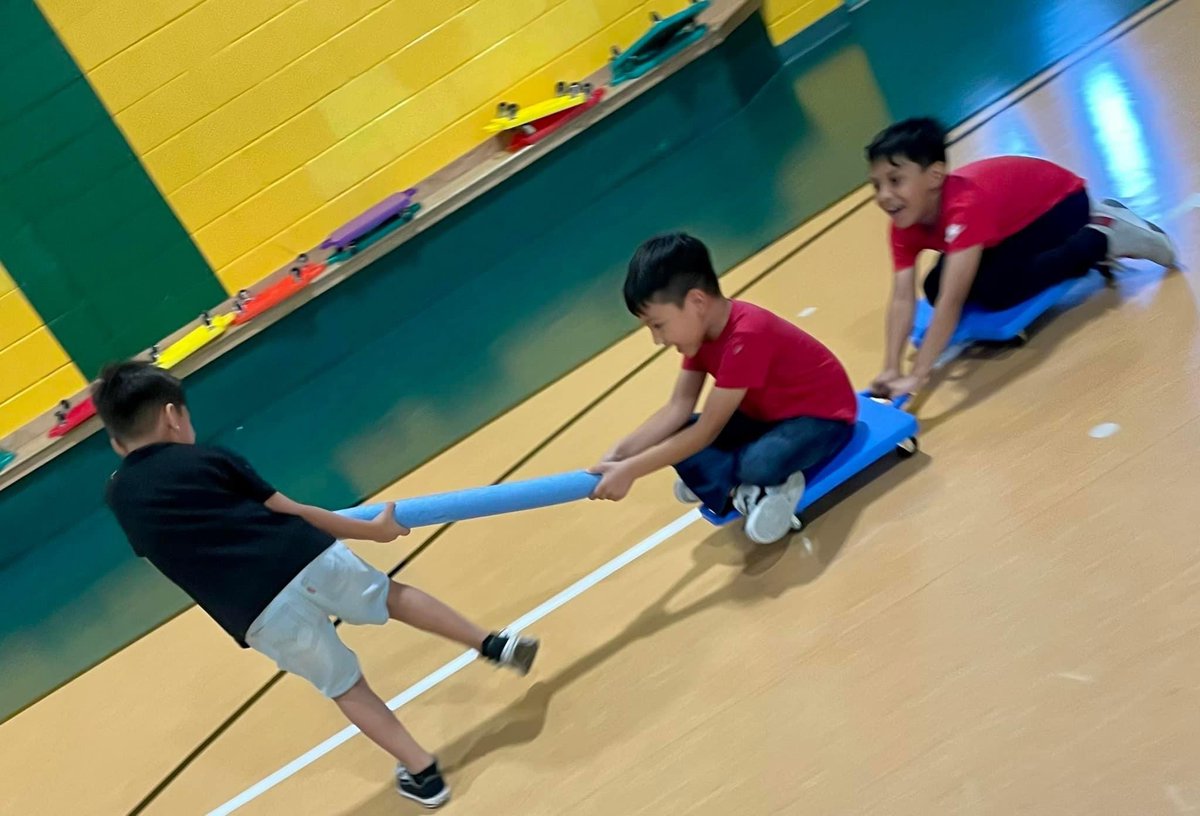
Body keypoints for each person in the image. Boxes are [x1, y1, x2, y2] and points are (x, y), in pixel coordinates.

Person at [95, 360, 537, 809]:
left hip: (255, 611)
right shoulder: (210, 459)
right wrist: (373, 531)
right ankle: (491, 643)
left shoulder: (119, 497)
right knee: (392, 596)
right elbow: (294, 510)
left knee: (346, 685)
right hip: (305, 556)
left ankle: (423, 773)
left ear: (116, 442)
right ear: (173, 415)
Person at [866, 116, 1178, 400]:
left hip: (1063, 203)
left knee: (998, 289)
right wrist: (891, 366)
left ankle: (1102, 234)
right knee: (933, 285)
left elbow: (953, 299)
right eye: (877, 185)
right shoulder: (903, 221)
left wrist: (918, 375)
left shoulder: (963, 207)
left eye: (895, 181)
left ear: (934, 176)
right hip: (1006, 224)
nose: (883, 196)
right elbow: (902, 298)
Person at [591, 233, 858, 544]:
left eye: (658, 324)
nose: (657, 340)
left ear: (696, 302)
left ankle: (760, 485)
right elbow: (677, 408)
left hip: (822, 419)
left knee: (756, 464)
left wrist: (631, 470)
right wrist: (619, 455)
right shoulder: (701, 335)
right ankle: (733, 484)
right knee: (676, 435)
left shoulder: (746, 336)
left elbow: (706, 431)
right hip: (766, 416)